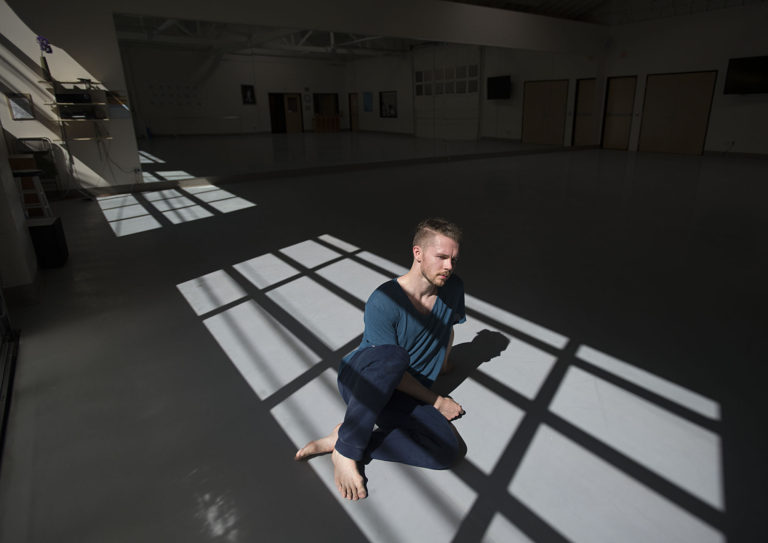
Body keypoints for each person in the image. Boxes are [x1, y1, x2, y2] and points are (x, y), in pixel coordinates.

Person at [295, 218, 467, 500]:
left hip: (404, 391)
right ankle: (347, 452)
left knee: (445, 450)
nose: (449, 266)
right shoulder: (385, 300)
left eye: (454, 259)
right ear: (418, 253)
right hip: (363, 378)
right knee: (394, 356)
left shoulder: (453, 288)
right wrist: (436, 400)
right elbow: (389, 365)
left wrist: (445, 364)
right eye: (442, 257)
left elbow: (447, 328)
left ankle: (343, 440)